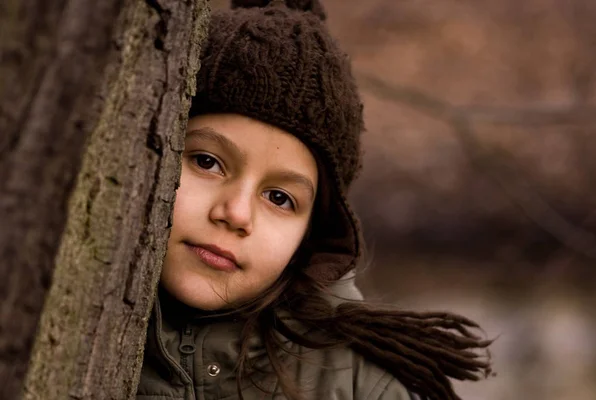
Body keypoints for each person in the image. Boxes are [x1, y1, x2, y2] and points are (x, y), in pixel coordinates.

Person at [136, 1, 492, 399]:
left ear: (311, 234)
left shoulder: (362, 385)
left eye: (279, 197)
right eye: (207, 162)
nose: (235, 213)